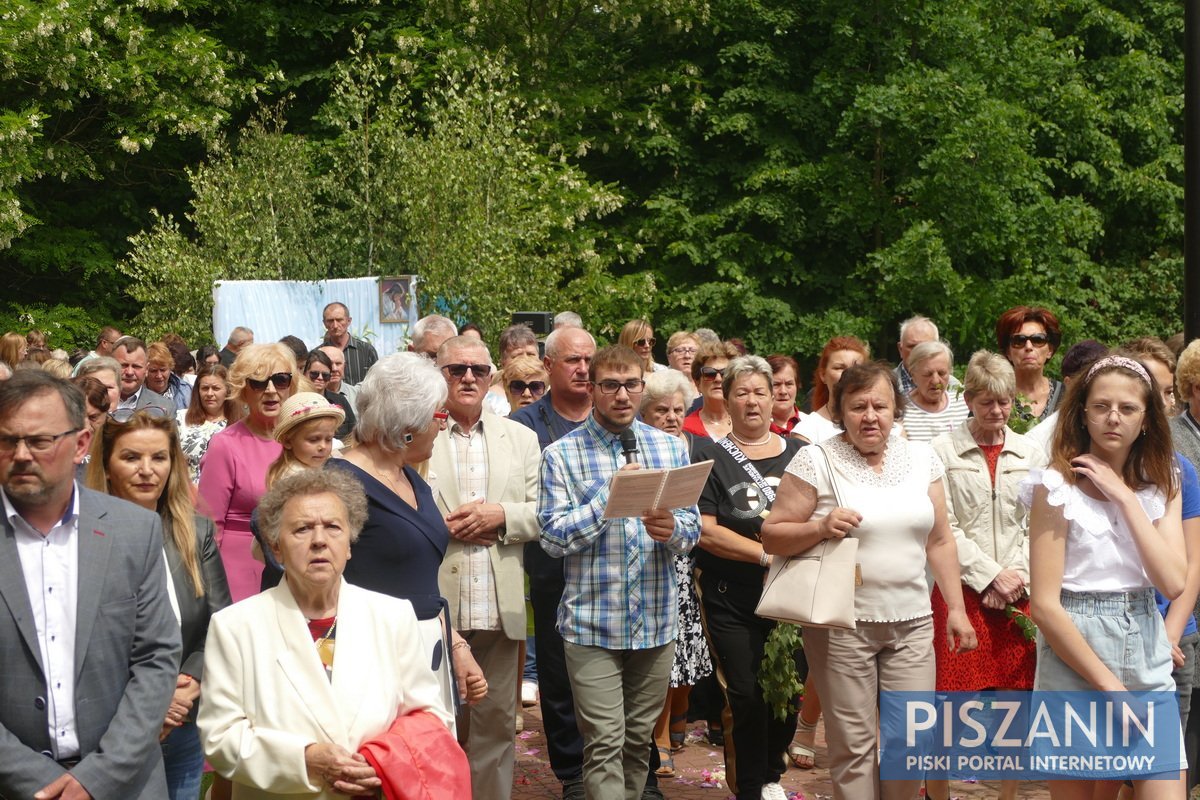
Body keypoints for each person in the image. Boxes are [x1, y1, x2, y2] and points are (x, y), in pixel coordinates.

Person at [761, 361, 977, 800]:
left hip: (914, 624)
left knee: (910, 743)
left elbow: (940, 540)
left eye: (880, 405)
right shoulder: (815, 458)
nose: (869, 416)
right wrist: (820, 527)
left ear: (896, 409)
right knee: (853, 748)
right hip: (842, 627)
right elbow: (772, 533)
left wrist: (956, 608)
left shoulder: (922, 458)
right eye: (857, 406)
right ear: (839, 411)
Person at [198, 469, 456, 799]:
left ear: (349, 544)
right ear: (276, 549)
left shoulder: (393, 616)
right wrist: (303, 760)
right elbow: (220, 737)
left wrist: (379, 762)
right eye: (302, 529)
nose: (319, 540)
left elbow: (429, 717)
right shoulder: (236, 626)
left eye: (333, 527)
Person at [0, 371, 180, 799]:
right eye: (8, 441)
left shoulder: (134, 531)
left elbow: (156, 658)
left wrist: (96, 778)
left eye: (40, 441)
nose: (21, 455)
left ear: (81, 444)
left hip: (125, 783)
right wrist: (36, 781)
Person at [540, 345, 700, 800]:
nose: (622, 394)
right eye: (610, 385)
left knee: (636, 741)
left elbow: (691, 531)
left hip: (655, 621)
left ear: (642, 387)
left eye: (631, 384)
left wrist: (671, 529)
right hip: (592, 624)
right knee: (605, 741)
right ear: (592, 389)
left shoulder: (669, 447)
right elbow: (551, 538)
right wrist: (606, 503)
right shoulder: (562, 454)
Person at [1023, 354, 1187, 796]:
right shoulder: (1055, 487)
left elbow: (1173, 582)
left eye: (1128, 408)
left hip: (1146, 652)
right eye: (1101, 406)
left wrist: (1125, 499)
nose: (1113, 417)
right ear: (1083, 413)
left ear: (1147, 419)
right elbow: (1044, 605)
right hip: (1075, 656)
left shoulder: (1163, 482)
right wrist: (1110, 687)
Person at [328, 353, 486, 719]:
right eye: (439, 416)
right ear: (407, 426)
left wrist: (457, 646)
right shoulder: (338, 483)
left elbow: (422, 582)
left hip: (428, 654)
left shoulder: (411, 478)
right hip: (369, 663)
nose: (443, 426)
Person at [85, 409, 231, 800]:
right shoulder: (83, 540)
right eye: (131, 457)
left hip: (183, 716)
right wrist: (152, 702)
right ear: (107, 465)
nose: (147, 470)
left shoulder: (194, 531)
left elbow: (220, 622)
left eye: (159, 458)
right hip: (113, 726)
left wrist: (189, 686)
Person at [926, 351, 1044, 800]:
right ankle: (940, 794)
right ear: (969, 400)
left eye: (1005, 402)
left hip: (1018, 592)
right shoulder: (941, 451)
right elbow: (945, 527)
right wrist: (990, 576)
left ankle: (1008, 794)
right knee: (951, 701)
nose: (996, 411)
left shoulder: (1031, 451)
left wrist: (1016, 578)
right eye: (987, 402)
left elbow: (1038, 525)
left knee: (1016, 698)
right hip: (961, 591)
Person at [430, 336, 541, 800]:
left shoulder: (520, 436)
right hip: (433, 607)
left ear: (492, 375)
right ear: (440, 375)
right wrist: (439, 526)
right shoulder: (415, 433)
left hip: (499, 605)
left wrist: (502, 516)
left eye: (478, 369)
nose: (469, 378)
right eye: (457, 370)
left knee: (495, 729)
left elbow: (543, 512)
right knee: (435, 726)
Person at [691, 356, 803, 800]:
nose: (752, 401)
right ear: (727, 398)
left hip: (793, 597)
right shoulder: (709, 457)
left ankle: (774, 772)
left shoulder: (801, 453)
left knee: (787, 696)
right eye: (742, 392)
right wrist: (763, 555)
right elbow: (707, 529)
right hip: (730, 596)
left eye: (761, 392)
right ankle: (751, 786)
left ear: (774, 396)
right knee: (745, 693)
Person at [510, 325, 597, 800]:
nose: (583, 368)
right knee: (559, 673)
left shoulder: (612, 414)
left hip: (609, 567)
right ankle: (572, 773)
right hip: (553, 566)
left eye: (588, 359)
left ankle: (633, 767)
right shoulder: (525, 425)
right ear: (549, 366)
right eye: (572, 360)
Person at [636, 370, 709, 778]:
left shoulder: (691, 449)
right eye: (661, 410)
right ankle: (658, 736)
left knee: (683, 653)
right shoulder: (639, 451)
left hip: (682, 559)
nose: (671, 417)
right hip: (647, 560)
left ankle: (677, 716)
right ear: (644, 414)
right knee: (661, 658)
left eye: (678, 410)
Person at [198, 342, 296, 601]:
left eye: (281, 380)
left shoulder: (303, 441)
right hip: (240, 571)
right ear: (244, 390)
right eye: (259, 383)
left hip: (296, 565)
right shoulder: (225, 444)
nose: (271, 390)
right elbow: (208, 524)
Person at [793, 335, 869, 444]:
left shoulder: (885, 426)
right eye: (839, 368)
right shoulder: (808, 432)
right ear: (823, 375)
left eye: (856, 368)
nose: (849, 374)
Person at [996, 305, 1064, 423]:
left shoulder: (1066, 396)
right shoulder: (994, 394)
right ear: (1008, 352)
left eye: (1038, 340)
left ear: (1050, 350)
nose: (1028, 347)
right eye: (1019, 341)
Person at [178, 364, 241, 484]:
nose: (209, 393)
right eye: (205, 388)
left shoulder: (239, 426)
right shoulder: (181, 418)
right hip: (185, 493)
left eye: (216, 388)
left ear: (227, 391)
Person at [266, 392, 344, 488]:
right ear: (288, 441)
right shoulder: (297, 480)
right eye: (313, 440)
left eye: (328, 439)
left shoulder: (312, 467)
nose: (323, 446)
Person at [902, 340, 969, 442]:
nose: (935, 381)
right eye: (928, 374)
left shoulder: (964, 403)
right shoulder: (901, 410)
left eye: (942, 373)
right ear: (913, 375)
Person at [682, 341, 739, 440]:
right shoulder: (684, 428)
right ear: (697, 383)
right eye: (709, 373)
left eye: (724, 374)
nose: (718, 379)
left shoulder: (746, 424)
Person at [112, 336, 177, 415]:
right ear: (110, 366)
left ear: (146, 369)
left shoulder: (165, 408)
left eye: (136, 366)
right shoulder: (95, 400)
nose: (129, 372)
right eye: (123, 365)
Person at [321, 302, 378, 386]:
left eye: (339, 320)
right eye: (330, 321)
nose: (335, 325)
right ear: (325, 324)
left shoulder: (366, 350)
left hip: (361, 399)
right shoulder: (319, 354)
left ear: (349, 321)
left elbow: (377, 382)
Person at [305, 350, 356, 439]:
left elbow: (354, 434)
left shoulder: (341, 401)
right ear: (304, 373)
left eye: (325, 375)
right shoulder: (296, 402)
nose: (320, 378)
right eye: (314, 374)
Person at [146, 341, 192, 410]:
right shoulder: (136, 394)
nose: (159, 376)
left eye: (163, 370)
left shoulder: (186, 391)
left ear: (170, 368)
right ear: (145, 370)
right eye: (153, 371)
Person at [766, 354, 803, 437]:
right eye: (776, 384)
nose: (783, 391)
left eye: (789, 384)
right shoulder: (755, 429)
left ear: (797, 386)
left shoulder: (812, 425)